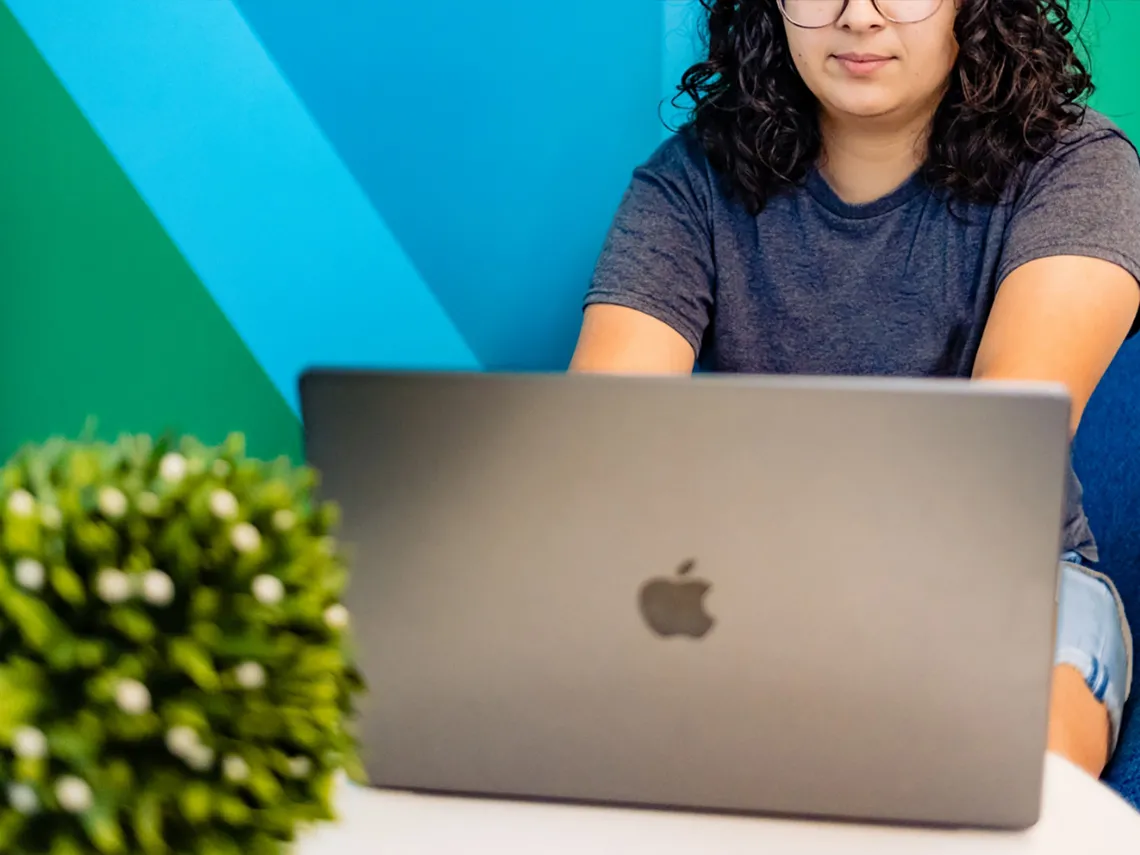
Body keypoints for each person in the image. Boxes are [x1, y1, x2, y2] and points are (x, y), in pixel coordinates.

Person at [570, 0, 1140, 778]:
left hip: (1013, 581)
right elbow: (601, 447)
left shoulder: (1077, 165)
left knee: (1017, 765)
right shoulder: (690, 182)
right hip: (749, 588)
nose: (859, 17)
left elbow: (994, 451)